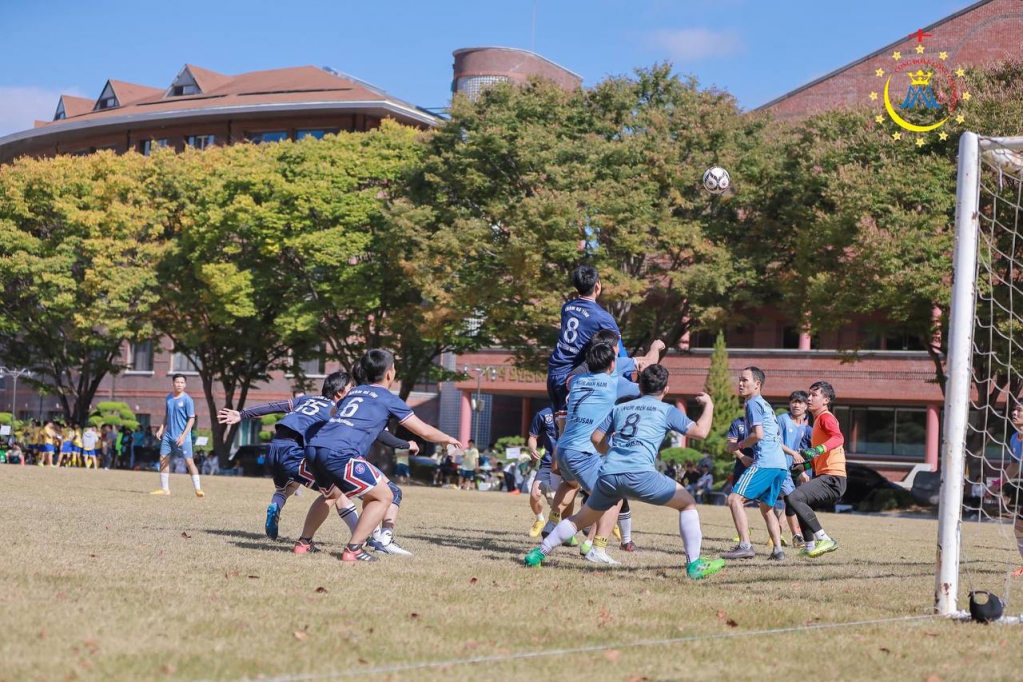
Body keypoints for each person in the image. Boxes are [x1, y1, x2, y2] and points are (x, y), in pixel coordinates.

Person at [525, 365, 725, 579]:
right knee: (687, 504)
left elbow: (595, 438)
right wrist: (709, 405)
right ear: (666, 389)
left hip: (609, 474)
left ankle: (539, 553)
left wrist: (611, 453)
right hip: (640, 474)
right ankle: (694, 565)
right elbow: (701, 432)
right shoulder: (667, 410)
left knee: (580, 519)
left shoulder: (620, 409)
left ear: (639, 386)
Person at [218, 371, 418, 554]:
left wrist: (242, 414)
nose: (355, 392)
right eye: (351, 388)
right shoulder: (337, 409)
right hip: (295, 453)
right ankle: (358, 540)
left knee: (287, 489)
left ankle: (278, 507)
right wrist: (404, 444)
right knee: (336, 492)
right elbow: (379, 434)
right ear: (340, 393)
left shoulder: (306, 400)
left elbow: (274, 406)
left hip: (274, 449)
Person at [305, 349, 461, 562]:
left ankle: (303, 543)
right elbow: (423, 430)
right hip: (341, 453)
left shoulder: (354, 393)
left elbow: (334, 413)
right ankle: (354, 550)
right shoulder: (387, 398)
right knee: (385, 495)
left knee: (331, 495)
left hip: (315, 448)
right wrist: (447, 438)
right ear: (390, 374)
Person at [547, 343, 640, 564]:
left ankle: (553, 523)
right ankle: (596, 548)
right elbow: (645, 391)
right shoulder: (614, 383)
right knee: (613, 496)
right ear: (612, 364)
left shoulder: (577, 381)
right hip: (583, 452)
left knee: (570, 485)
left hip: (564, 449)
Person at [721, 367, 789, 561]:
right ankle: (778, 551)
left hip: (766, 462)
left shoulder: (753, 403)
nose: (740, 383)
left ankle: (745, 546)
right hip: (780, 466)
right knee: (766, 508)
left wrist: (738, 445)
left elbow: (758, 435)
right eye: (739, 380)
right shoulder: (766, 405)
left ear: (757, 384)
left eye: (745, 380)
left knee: (734, 499)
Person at [546, 266, 622, 433]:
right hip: (570, 377)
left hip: (553, 371)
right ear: (597, 286)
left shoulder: (567, 307)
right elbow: (618, 348)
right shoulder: (602, 317)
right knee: (568, 434)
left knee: (561, 431)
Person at [786, 381, 847, 558]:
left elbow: (838, 438)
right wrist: (804, 465)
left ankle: (825, 539)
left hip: (833, 478)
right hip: (828, 476)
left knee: (793, 497)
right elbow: (821, 456)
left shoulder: (826, 417)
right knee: (799, 502)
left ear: (826, 399)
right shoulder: (818, 421)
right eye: (809, 394)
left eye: (814, 395)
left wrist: (816, 450)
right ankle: (810, 546)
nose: (809, 398)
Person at [150, 374, 203, 497]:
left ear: (185, 384)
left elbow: (191, 419)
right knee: (163, 460)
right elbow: (167, 415)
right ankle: (165, 489)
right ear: (173, 383)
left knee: (189, 462)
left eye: (182, 382)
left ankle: (198, 489)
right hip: (168, 436)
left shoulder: (187, 400)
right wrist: (161, 429)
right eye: (177, 382)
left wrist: (183, 436)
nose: (179, 384)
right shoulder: (168, 397)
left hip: (183, 437)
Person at [777, 390, 813, 547]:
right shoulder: (782, 420)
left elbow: (800, 453)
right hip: (778, 467)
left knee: (789, 501)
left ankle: (792, 536)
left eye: (800, 402)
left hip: (791, 468)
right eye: (793, 401)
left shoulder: (804, 427)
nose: (796, 405)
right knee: (789, 500)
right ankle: (791, 535)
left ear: (806, 406)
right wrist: (792, 454)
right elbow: (776, 442)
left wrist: (803, 470)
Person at [527, 407, 559, 537]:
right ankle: (540, 519)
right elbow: (532, 437)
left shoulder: (576, 410)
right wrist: (532, 449)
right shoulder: (544, 414)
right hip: (548, 462)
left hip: (569, 462)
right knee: (535, 494)